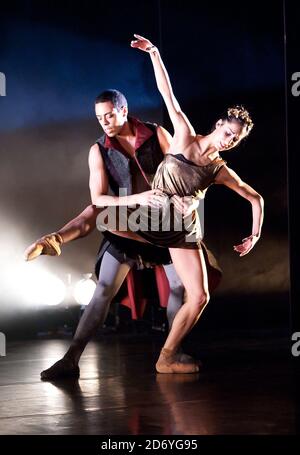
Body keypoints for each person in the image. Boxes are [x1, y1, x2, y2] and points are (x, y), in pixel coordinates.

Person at [85, 33, 263, 373]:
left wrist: (254, 235)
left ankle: (167, 356)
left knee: (200, 296)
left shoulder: (219, 169)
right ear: (219, 124)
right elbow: (169, 93)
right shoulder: (183, 134)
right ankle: (61, 238)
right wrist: (153, 52)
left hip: (183, 231)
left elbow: (255, 198)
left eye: (236, 140)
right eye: (229, 133)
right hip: (151, 218)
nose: (230, 141)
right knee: (99, 213)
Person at [25, 89, 221, 380]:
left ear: (124, 110)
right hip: (130, 223)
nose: (104, 122)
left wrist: (189, 198)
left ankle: (172, 351)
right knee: (102, 289)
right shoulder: (99, 149)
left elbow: (186, 170)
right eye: (98, 117)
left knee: (180, 289)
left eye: (109, 115)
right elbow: (99, 197)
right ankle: (71, 358)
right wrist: (137, 200)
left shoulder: (157, 134)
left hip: (168, 225)